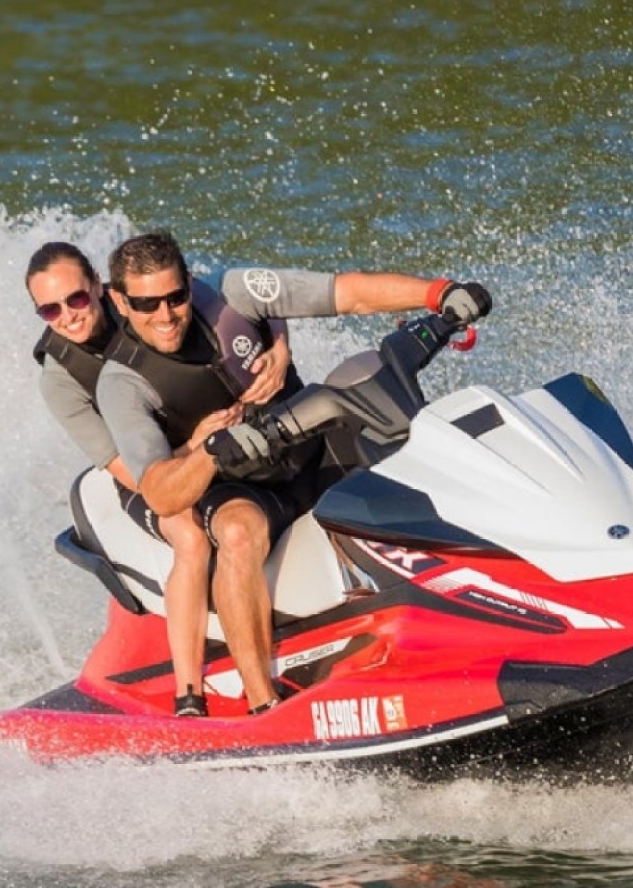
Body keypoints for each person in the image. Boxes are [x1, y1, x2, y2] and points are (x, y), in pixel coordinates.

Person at [95, 230, 491, 714]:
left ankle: (497, 592)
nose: (165, 315)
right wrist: (210, 453)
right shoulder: (122, 384)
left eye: (175, 297)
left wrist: (439, 294)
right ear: (119, 301)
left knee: (402, 428)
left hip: (310, 445)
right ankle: (264, 703)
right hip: (238, 484)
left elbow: (347, 293)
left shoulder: (231, 295)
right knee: (239, 533)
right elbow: (161, 492)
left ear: (188, 282)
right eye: (146, 304)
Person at [24, 241, 294, 717]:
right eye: (50, 309)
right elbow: (133, 472)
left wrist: (280, 347)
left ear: (101, 290)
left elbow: (253, 298)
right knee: (189, 535)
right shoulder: (61, 380)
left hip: (209, 446)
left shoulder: (148, 300)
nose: (68, 315)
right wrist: (199, 447)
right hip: (145, 470)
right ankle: (189, 693)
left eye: (77, 299)